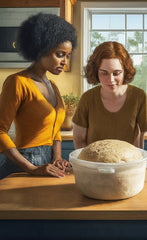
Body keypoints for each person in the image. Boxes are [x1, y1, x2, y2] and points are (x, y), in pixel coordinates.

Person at [0, 13, 77, 179]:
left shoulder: (54, 86)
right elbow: (0, 131)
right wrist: (31, 168)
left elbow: (55, 131)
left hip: (48, 164)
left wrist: (56, 158)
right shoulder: (17, 82)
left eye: (67, 55)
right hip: (21, 164)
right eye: (60, 54)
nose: (65, 61)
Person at [72, 41, 147, 149]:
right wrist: (88, 164)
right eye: (104, 73)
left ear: (125, 71)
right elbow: (79, 140)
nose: (111, 79)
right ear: (96, 72)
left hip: (127, 163)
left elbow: (140, 137)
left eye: (116, 73)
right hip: (94, 164)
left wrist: (136, 163)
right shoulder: (87, 98)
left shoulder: (139, 96)